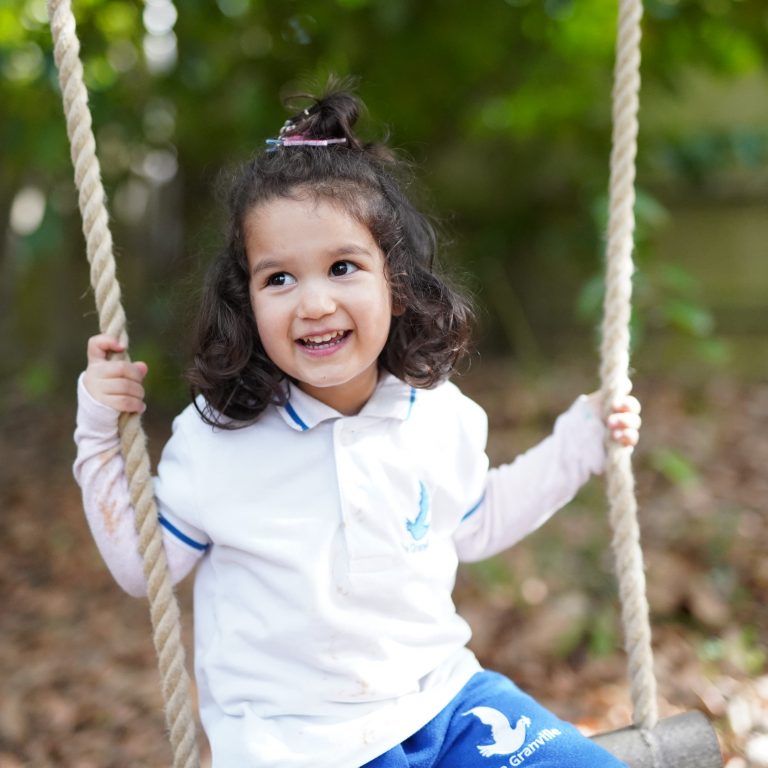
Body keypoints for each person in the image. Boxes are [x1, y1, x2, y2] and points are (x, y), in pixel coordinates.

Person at [74, 89, 641, 768]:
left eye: (343, 268)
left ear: (394, 283)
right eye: (278, 278)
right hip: (297, 741)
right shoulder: (218, 441)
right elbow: (145, 570)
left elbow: (478, 519)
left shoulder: (435, 413)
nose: (315, 303)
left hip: (444, 700)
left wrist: (580, 443)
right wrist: (98, 436)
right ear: (246, 301)